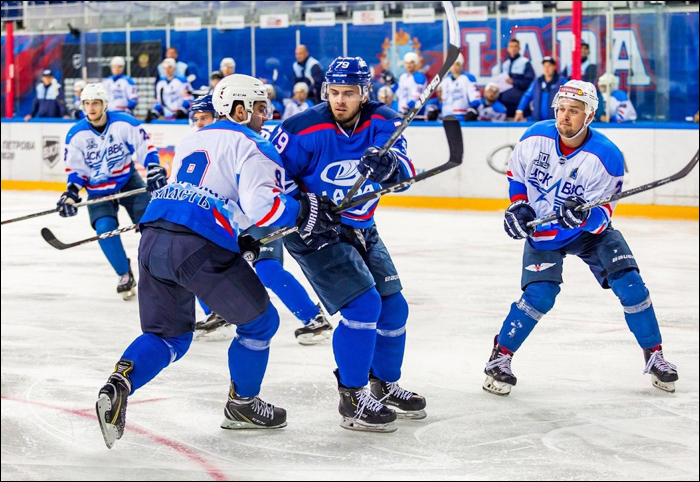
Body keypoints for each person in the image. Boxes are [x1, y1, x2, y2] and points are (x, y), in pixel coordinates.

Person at [95, 74, 341, 448]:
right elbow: (266, 207)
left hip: (153, 238)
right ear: (239, 109)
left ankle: (120, 381)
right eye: (259, 108)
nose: (265, 115)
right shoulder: (254, 144)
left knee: (168, 336)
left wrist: (240, 237)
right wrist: (305, 210)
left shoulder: (192, 139)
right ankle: (242, 404)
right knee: (261, 323)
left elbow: (208, 194)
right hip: (197, 246)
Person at [484, 80, 679, 397]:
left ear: (589, 115)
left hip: (589, 236)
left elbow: (604, 214)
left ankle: (654, 355)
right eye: (561, 109)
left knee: (631, 285)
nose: (565, 116)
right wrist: (518, 206)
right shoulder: (534, 136)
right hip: (545, 232)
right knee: (540, 295)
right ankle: (500, 358)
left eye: (574, 111)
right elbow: (516, 176)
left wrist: (586, 216)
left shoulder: (606, 156)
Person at [271, 56, 427, 433]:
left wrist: (389, 166)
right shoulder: (300, 128)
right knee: (363, 305)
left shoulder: (384, 120)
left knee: (394, 308)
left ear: (364, 93)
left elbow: (406, 171)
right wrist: (304, 207)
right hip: (315, 232)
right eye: (334, 92)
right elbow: (273, 181)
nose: (340, 100)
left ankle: (383, 385)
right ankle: (352, 396)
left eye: (349, 93)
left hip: (362, 226)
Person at [187, 95, 332, 345]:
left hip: (260, 212)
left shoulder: (249, 140)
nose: (201, 124)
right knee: (194, 258)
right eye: (197, 119)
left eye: (205, 118)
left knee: (267, 268)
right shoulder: (199, 142)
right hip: (232, 218)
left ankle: (313, 317)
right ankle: (215, 312)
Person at [59, 83, 160, 299]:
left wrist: (153, 169)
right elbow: (77, 171)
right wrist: (71, 193)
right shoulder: (76, 135)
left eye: (95, 103)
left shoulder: (124, 123)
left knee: (152, 225)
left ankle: (159, 273)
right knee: (104, 229)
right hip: (97, 190)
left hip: (127, 181)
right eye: (87, 103)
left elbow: (146, 148)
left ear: (104, 104)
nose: (91, 108)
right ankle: (124, 273)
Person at [514, 56, 567, 122]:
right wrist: (520, 110)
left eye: (549, 66)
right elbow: (527, 96)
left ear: (554, 67)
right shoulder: (537, 81)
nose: (546, 69)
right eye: (544, 66)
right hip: (537, 121)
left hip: (555, 122)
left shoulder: (561, 81)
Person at [499, 39, 535, 118]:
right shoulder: (505, 64)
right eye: (511, 46)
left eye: (515, 46)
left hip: (519, 104)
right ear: (508, 49)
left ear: (519, 48)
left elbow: (530, 82)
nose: (513, 49)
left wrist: (514, 82)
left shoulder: (525, 62)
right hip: (506, 105)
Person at [439, 53, 481, 121]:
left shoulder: (468, 78)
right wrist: (438, 109)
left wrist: (472, 109)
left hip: (462, 117)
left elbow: (475, 98)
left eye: (457, 64)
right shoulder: (445, 80)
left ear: (462, 65)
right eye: (452, 64)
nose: (454, 67)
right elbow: (444, 100)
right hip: (445, 117)